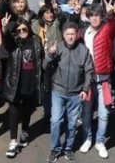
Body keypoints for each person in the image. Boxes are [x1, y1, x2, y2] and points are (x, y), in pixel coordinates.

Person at [43, 21, 93, 163]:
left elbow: (89, 71)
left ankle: (68, 148)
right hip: (58, 90)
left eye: (73, 34)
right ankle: (55, 148)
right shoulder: (57, 48)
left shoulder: (83, 50)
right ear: (63, 35)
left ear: (77, 34)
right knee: (56, 120)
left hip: (76, 93)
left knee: (71, 123)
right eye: (67, 34)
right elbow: (44, 66)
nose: (70, 37)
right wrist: (50, 54)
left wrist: (85, 89)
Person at [79, 4, 115, 159]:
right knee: (87, 112)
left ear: (101, 16)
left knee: (104, 113)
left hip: (104, 80)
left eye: (97, 15)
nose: (95, 18)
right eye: (92, 15)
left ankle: (100, 141)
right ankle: (88, 139)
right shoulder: (83, 32)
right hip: (88, 80)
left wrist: (111, 12)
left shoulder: (107, 29)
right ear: (88, 17)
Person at [0, 17, 44, 158]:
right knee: (13, 111)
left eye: (24, 29)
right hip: (15, 82)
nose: (22, 32)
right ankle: (13, 142)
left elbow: (40, 57)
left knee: (27, 109)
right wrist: (5, 30)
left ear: (29, 28)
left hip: (31, 81)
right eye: (19, 30)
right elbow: (6, 42)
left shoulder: (36, 40)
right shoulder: (14, 41)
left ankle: (25, 130)